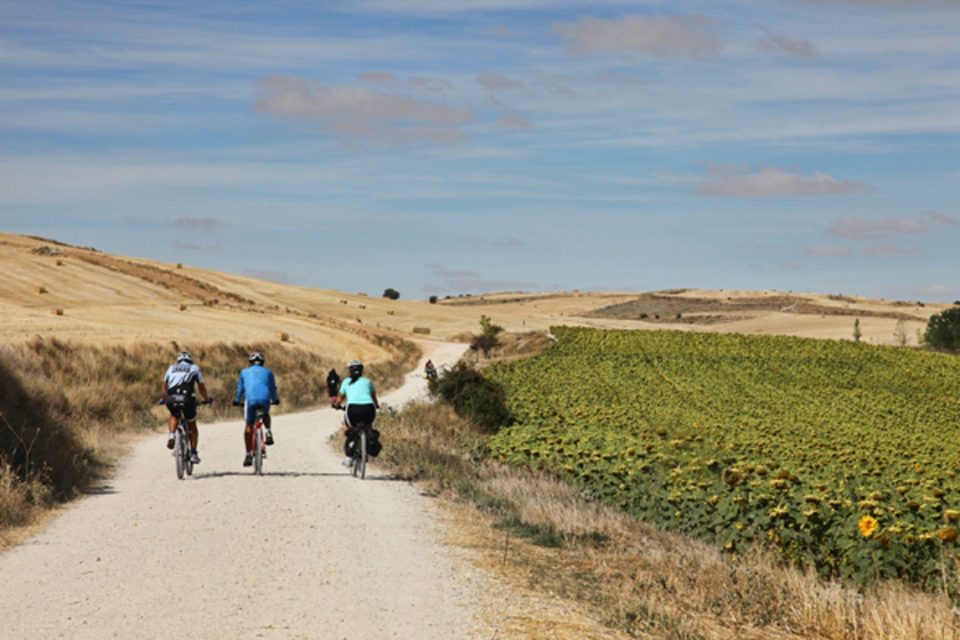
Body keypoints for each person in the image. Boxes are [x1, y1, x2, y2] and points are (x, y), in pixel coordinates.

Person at [232, 352, 280, 467]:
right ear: (263, 363)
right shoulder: (269, 372)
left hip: (251, 400)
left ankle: (248, 454)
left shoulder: (244, 372)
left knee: (249, 425)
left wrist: (238, 400)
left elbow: (241, 388)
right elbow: (272, 388)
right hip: (264, 399)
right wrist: (275, 399)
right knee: (266, 414)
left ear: (250, 362)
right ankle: (268, 431)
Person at [162, 351, 211, 464]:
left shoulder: (171, 368)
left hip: (172, 398)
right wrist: (206, 399)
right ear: (190, 360)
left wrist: (164, 399)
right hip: (187, 399)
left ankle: (172, 435)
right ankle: (193, 453)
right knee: (192, 424)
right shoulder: (194, 368)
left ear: (178, 360)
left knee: (174, 414)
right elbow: (201, 387)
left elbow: (165, 386)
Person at [335, 359, 379, 465]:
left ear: (350, 371)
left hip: (352, 409)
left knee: (350, 428)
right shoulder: (368, 381)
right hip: (369, 409)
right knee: (368, 427)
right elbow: (374, 398)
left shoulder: (346, 382)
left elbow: (340, 398)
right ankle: (366, 450)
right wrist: (376, 405)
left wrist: (337, 405)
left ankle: (349, 457)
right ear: (362, 370)